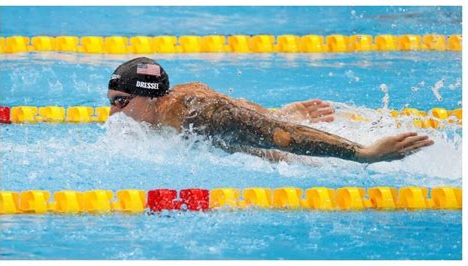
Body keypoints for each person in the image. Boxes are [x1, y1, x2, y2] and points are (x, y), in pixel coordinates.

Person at [107, 57, 434, 164]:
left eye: (120, 102)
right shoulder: (169, 107)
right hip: (269, 131)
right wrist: (280, 113)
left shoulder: (192, 109)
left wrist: (363, 152)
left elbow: (283, 138)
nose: (113, 114)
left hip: (302, 155)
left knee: (282, 155)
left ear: (149, 97)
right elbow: (239, 114)